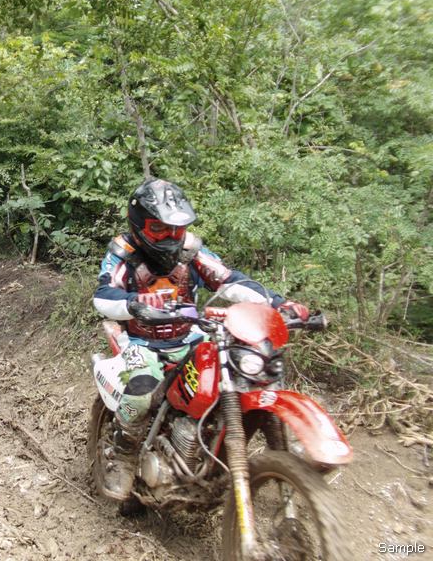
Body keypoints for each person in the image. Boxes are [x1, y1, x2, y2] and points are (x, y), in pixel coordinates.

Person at [93, 178, 309, 501]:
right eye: (158, 229)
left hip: (190, 336)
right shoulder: (123, 254)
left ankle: (238, 447)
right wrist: (134, 304)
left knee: (245, 369)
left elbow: (229, 280)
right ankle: (123, 457)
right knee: (140, 392)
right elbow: (103, 295)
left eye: (176, 229)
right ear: (139, 225)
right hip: (141, 344)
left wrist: (277, 303)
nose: (169, 237)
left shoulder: (190, 252)